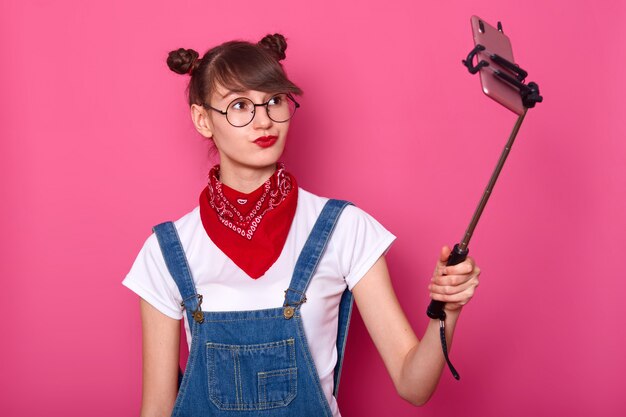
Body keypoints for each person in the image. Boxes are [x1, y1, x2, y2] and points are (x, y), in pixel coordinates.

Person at [123, 33, 481, 417]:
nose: (264, 121)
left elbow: (414, 386)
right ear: (202, 119)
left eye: (274, 101)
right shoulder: (167, 250)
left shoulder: (344, 229)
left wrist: (448, 309)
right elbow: (157, 409)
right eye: (240, 106)